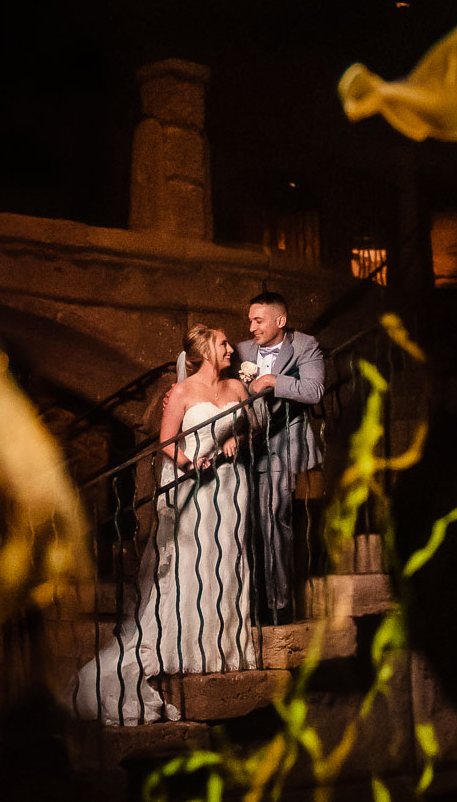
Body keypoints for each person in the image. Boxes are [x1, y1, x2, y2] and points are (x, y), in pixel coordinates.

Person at [71, 325, 258, 724]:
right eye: (224, 343)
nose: (231, 349)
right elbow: (167, 443)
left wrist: (236, 435)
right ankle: (187, 641)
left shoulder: (236, 390)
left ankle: (222, 645)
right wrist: (192, 463)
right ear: (207, 350)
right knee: (192, 558)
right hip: (193, 482)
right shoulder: (181, 393)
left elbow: (253, 426)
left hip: (230, 484)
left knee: (227, 556)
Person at [235, 292, 325, 624]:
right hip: (250, 446)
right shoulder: (243, 351)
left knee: (275, 515)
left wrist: (274, 380)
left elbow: (315, 391)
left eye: (258, 320)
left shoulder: (304, 345)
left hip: (286, 441)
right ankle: (252, 598)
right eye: (250, 320)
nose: (251, 327)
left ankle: (278, 602)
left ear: (280, 321)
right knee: (250, 522)